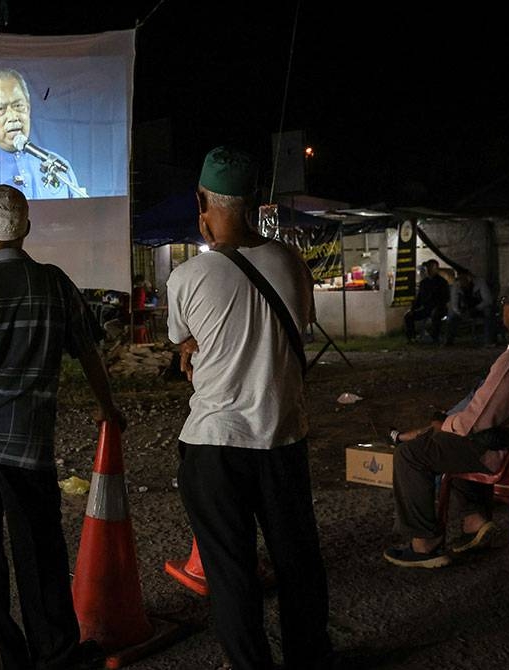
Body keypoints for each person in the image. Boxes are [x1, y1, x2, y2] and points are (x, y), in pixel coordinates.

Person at [0, 184, 123, 669]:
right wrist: (107, 406)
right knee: (41, 548)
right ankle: (57, 653)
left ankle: (3, 659)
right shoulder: (55, 283)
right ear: (27, 230)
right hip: (30, 440)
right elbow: (88, 353)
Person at [166, 146, 334, 669]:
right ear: (257, 202)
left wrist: (192, 348)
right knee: (298, 563)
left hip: (215, 445)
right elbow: (296, 328)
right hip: (282, 438)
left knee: (231, 573)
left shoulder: (188, 277)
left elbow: (183, 339)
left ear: (202, 203)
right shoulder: (292, 263)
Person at [384, 272, 509, 569]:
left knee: (412, 453)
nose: (503, 307)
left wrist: (442, 423)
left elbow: (472, 423)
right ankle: (475, 522)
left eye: (506, 302)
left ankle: (424, 544)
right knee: (452, 440)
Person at [0, 68, 83, 201]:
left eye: (18, 106)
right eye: (1, 109)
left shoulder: (58, 167)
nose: (12, 117)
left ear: (28, 108)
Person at [403, 258, 450, 343]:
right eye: (428, 268)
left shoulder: (442, 282)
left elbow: (445, 298)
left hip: (439, 308)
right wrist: (412, 309)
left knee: (435, 315)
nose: (428, 270)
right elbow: (419, 299)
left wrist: (438, 306)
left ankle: (435, 337)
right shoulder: (424, 283)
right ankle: (412, 337)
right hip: (426, 309)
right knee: (408, 316)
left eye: (431, 268)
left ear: (436, 269)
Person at [444, 269, 494, 345]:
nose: (462, 281)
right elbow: (454, 303)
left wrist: (476, 308)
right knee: (451, 313)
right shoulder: (456, 286)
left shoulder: (480, 283)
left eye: (464, 278)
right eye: (460, 279)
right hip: (464, 308)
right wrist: (460, 312)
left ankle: (488, 340)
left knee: (488, 311)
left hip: (479, 307)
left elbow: (488, 300)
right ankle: (448, 340)